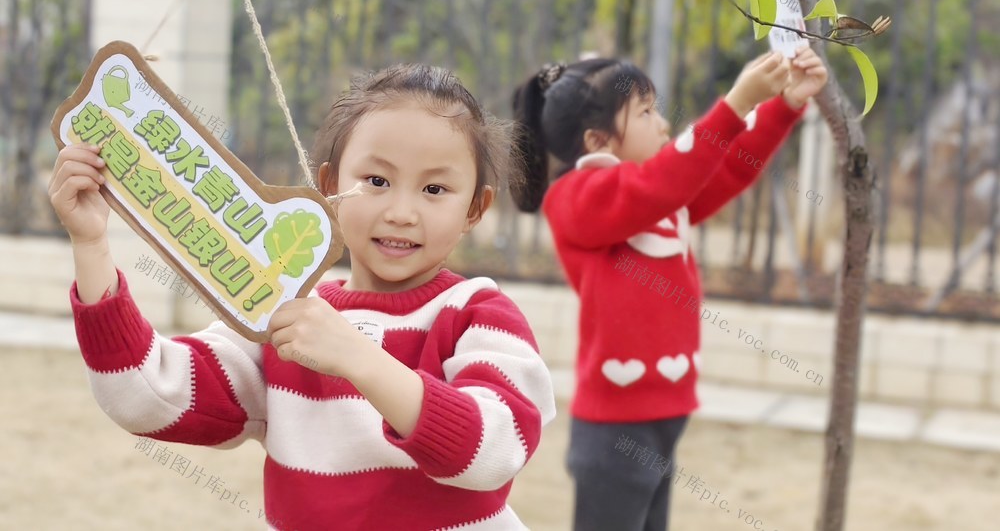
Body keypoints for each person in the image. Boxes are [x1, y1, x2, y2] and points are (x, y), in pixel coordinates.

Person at [49, 64, 557, 530]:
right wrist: (91, 244)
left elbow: (494, 450)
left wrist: (358, 357)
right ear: (329, 184)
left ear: (475, 208)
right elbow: (145, 397)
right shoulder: (284, 312)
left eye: (434, 190)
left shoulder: (479, 317)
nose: (402, 211)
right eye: (376, 181)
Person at [510, 45, 827, 531]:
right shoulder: (577, 199)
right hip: (615, 428)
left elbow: (730, 167)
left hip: (667, 413)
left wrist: (783, 105)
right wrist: (734, 105)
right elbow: (660, 184)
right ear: (598, 140)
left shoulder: (660, 195)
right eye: (645, 112)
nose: (662, 124)